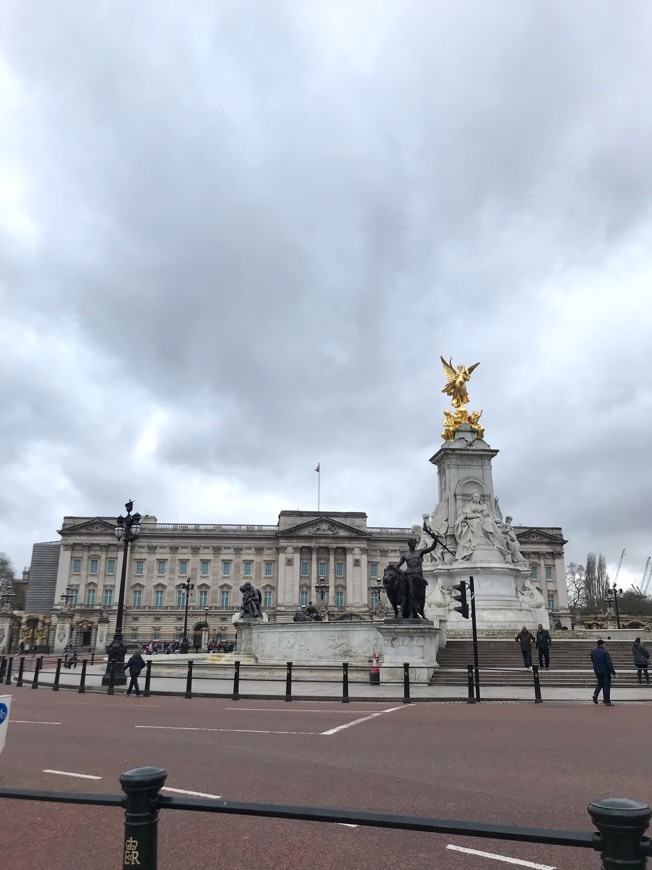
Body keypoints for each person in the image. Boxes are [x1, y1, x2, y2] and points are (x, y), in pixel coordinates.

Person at [454, 491, 510, 561]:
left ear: (479, 498)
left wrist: (486, 513)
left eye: (478, 497)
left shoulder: (483, 506)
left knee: (489, 521)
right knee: (476, 522)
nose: (476, 498)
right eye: (475, 497)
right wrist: (476, 516)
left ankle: (491, 540)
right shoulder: (469, 506)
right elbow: (467, 515)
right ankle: (478, 541)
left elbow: (489, 514)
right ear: (473, 498)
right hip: (473, 520)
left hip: (483, 519)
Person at [394, 533, 439, 618]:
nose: (414, 544)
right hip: (410, 576)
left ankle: (421, 611)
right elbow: (397, 566)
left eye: (415, 543)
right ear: (409, 544)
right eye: (412, 543)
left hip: (419, 577)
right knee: (411, 593)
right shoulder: (405, 555)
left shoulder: (420, 552)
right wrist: (403, 572)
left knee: (421, 595)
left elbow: (431, 548)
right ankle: (411, 613)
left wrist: (435, 540)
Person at [591, 639, 616, 706]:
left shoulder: (593, 652)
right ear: (602, 644)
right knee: (606, 686)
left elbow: (592, 660)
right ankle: (607, 700)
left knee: (599, 683)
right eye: (604, 644)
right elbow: (609, 663)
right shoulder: (605, 652)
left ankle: (595, 694)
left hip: (597, 670)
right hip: (605, 671)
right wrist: (613, 672)